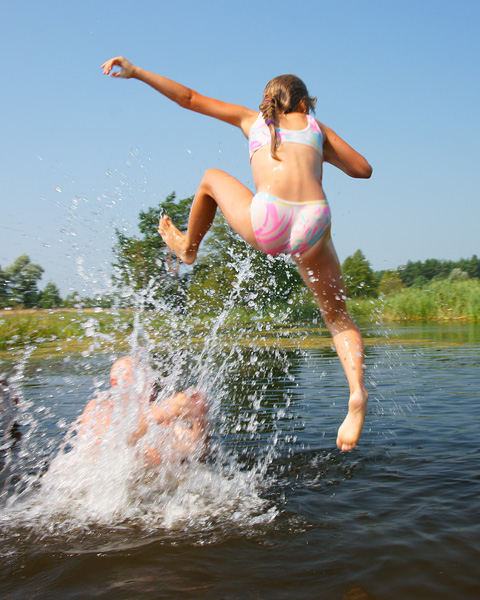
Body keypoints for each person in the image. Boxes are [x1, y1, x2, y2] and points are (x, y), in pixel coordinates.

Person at [102, 57, 373, 452]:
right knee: (336, 316)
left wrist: (137, 72)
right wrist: (319, 149)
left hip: (269, 219)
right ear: (303, 105)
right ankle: (356, 394)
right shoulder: (318, 130)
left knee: (211, 178)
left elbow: (189, 98)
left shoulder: (252, 121)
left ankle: (187, 247)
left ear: (268, 101)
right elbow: (363, 170)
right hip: (313, 220)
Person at [76, 355, 209, 465]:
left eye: (148, 375)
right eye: (136, 374)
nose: (147, 380)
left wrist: (199, 416)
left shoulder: (165, 418)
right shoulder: (100, 407)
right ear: (115, 383)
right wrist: (159, 414)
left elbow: (196, 450)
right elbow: (110, 447)